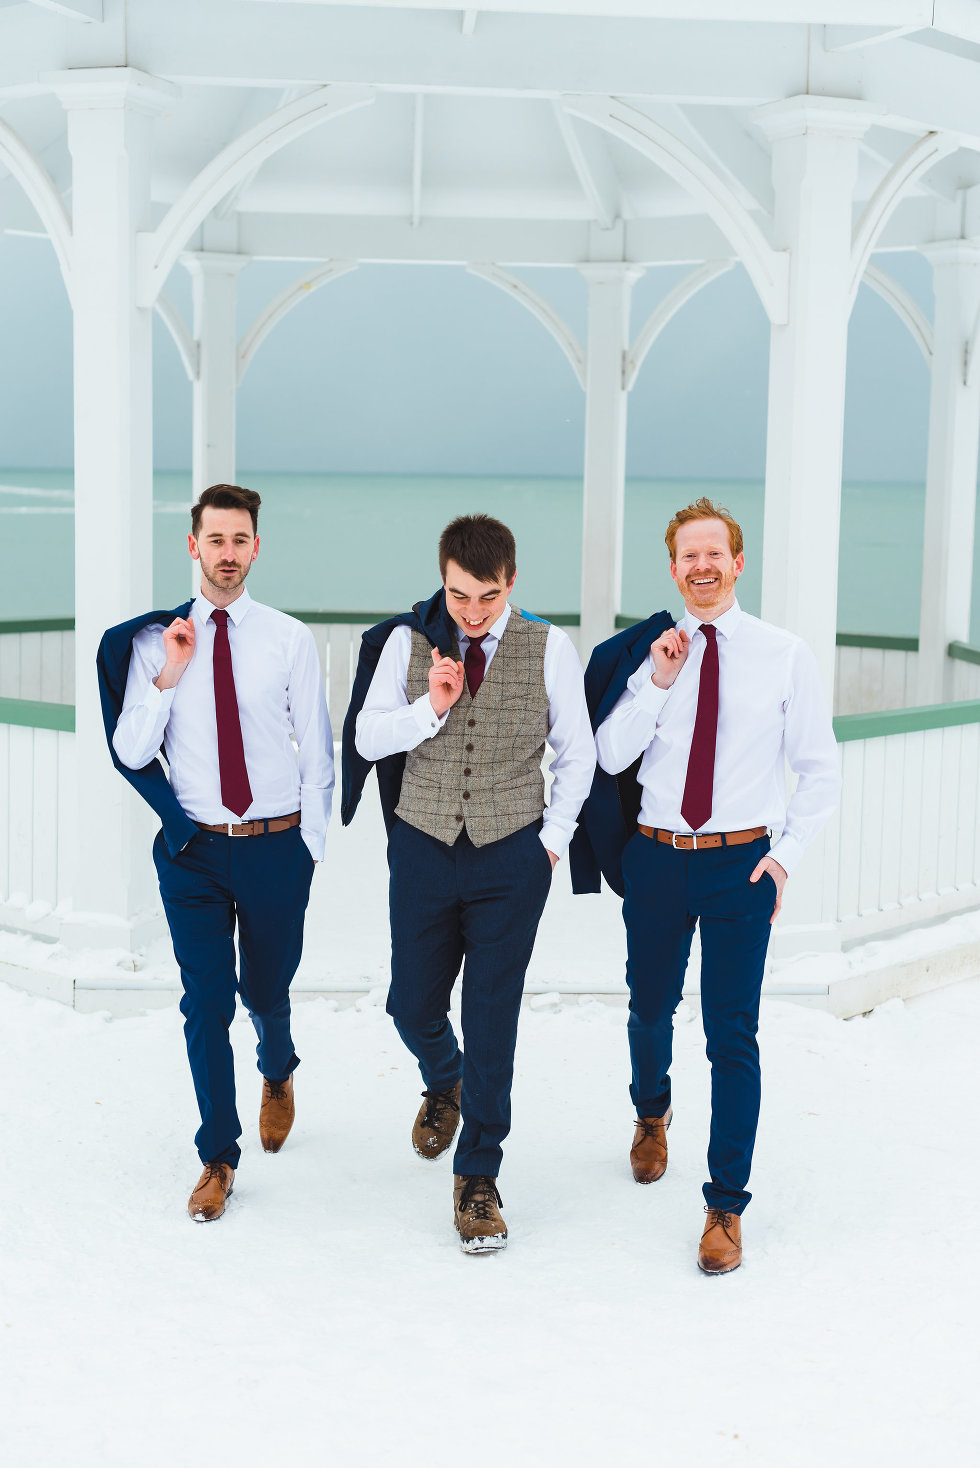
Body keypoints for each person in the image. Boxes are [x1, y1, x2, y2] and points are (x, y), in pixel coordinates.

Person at [589, 497, 840, 1274]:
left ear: (736, 563)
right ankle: (651, 1113)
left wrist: (785, 857)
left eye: (714, 554)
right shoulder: (653, 653)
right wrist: (659, 681)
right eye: (687, 557)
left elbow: (819, 770)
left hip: (740, 868)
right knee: (649, 1005)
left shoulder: (783, 654)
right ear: (674, 569)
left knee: (732, 1036)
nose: (701, 567)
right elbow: (608, 754)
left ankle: (725, 1205)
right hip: (658, 861)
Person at [345, 514, 595, 1253]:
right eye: (458, 594)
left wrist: (550, 844)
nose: (472, 611)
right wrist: (432, 706)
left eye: (486, 596)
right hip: (421, 848)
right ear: (443, 576)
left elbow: (576, 753)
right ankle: (443, 1077)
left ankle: (478, 1175)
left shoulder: (550, 647)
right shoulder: (406, 642)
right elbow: (364, 736)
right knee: (411, 1002)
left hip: (511, 857)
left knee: (493, 1018)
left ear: (510, 581)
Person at [102, 483, 334, 1222]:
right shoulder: (152, 642)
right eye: (215, 540)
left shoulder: (288, 638)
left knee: (264, 993)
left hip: (274, 847)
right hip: (194, 849)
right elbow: (131, 749)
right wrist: (169, 673)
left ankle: (277, 1066)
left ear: (255, 548)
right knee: (205, 1003)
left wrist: (309, 850)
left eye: (240, 541)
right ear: (193, 545)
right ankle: (217, 1156)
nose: (227, 554)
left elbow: (319, 752)